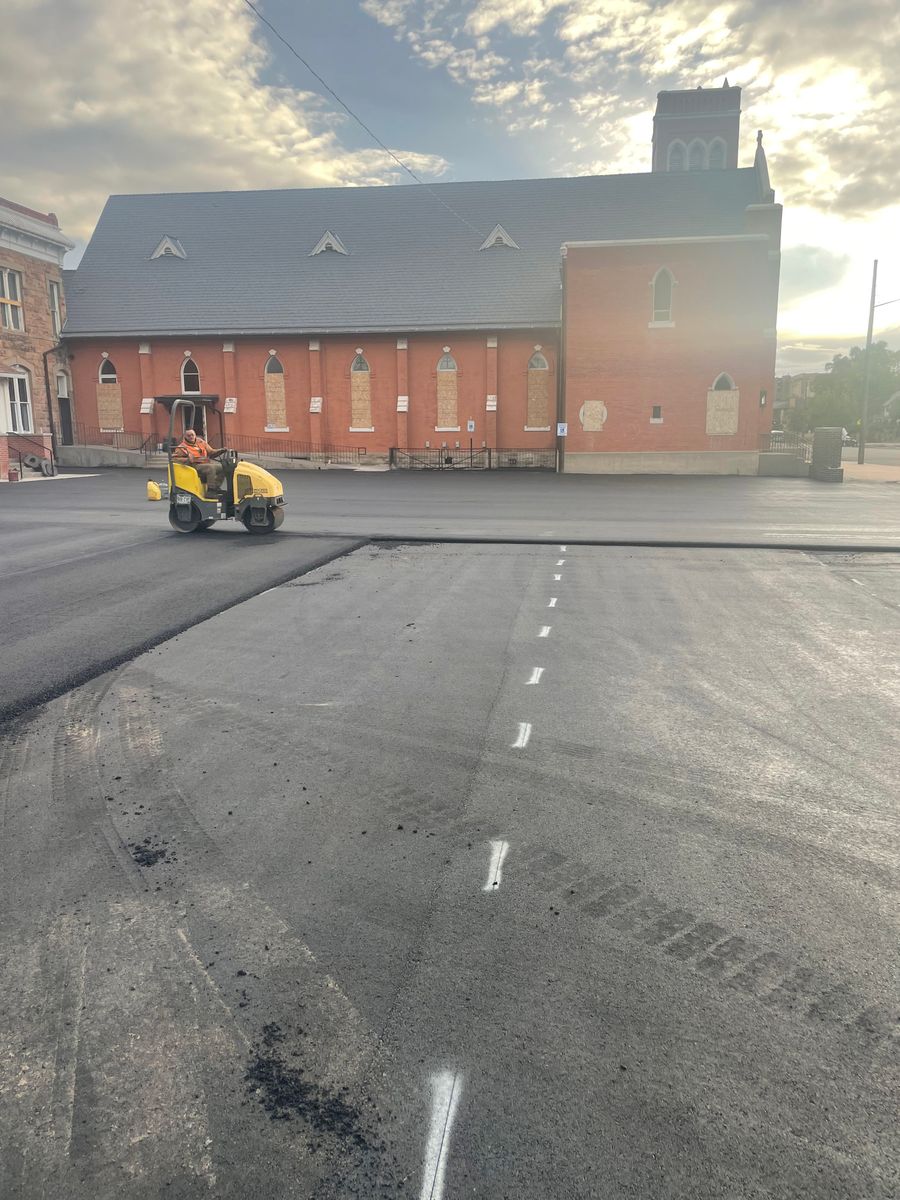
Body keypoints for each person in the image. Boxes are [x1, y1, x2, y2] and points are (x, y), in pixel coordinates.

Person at [173, 427, 226, 492]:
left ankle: (216, 487)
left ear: (195, 435)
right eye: (188, 435)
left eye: (192, 435)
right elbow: (175, 459)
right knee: (211, 468)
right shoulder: (181, 447)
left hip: (205, 463)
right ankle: (211, 491)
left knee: (224, 467)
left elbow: (211, 452)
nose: (191, 437)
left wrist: (221, 450)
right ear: (185, 437)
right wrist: (187, 459)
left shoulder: (201, 442)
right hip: (194, 466)